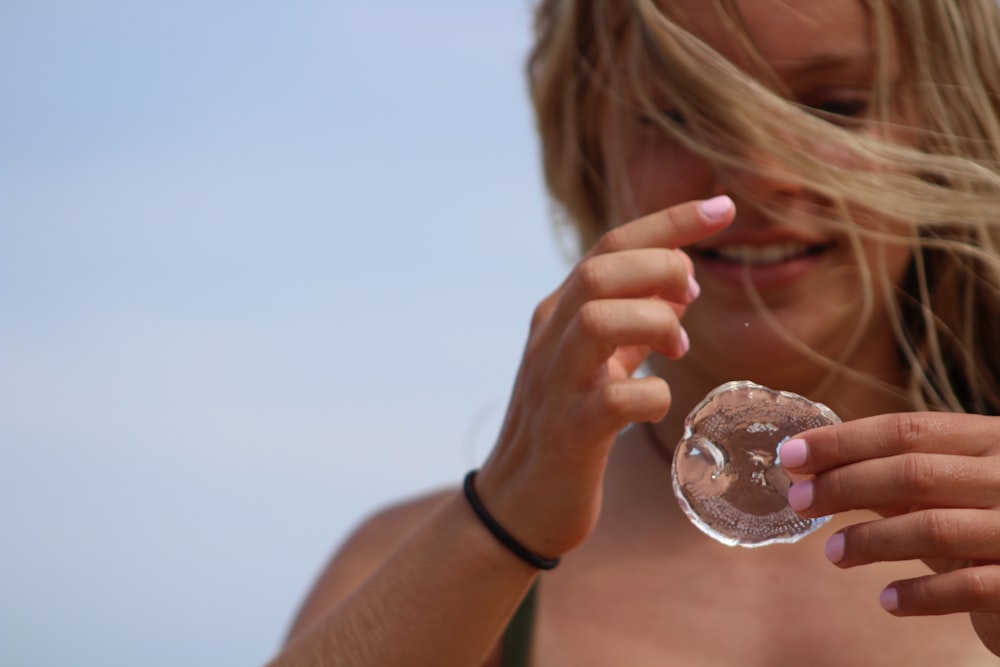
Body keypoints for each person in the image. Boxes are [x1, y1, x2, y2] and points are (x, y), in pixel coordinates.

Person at [267, 0, 1000, 664]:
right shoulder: (418, 567)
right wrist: (497, 529)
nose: (760, 170)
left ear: (949, 124)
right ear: (590, 138)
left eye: (833, 107)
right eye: (682, 113)